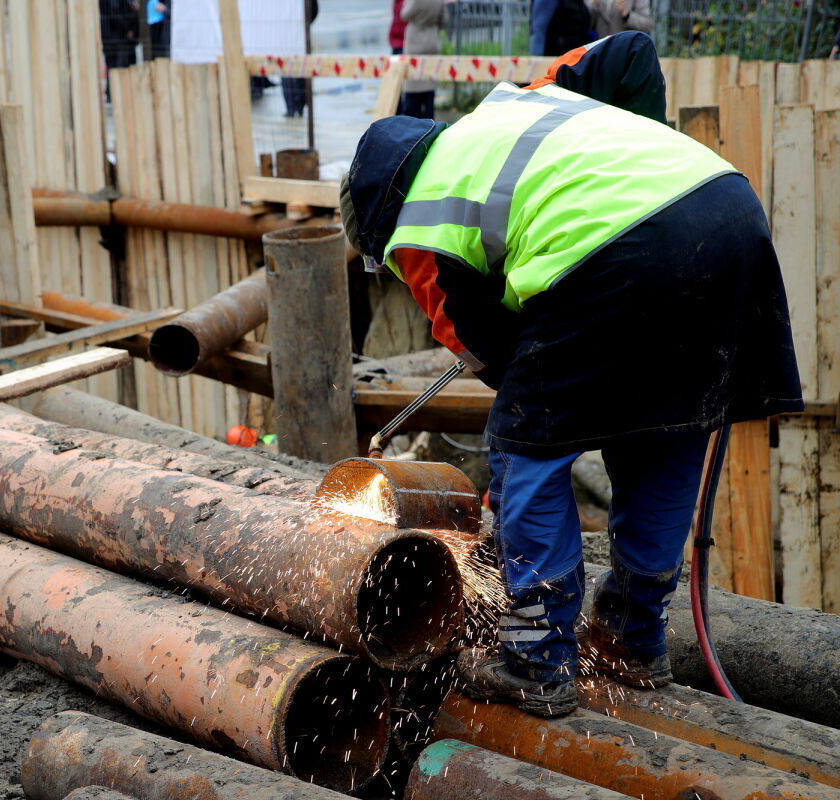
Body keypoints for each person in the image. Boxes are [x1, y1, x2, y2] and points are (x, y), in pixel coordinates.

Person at [339, 32, 802, 718]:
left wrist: (516, 480)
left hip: (620, 248)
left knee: (526, 443)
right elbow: (630, 53)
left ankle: (534, 656)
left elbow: (485, 348)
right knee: (665, 431)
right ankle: (632, 640)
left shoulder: (423, 209)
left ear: (379, 215)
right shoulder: (511, 112)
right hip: (729, 214)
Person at [400, 0, 446, 120]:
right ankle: (429, 118)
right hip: (432, 40)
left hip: (415, 41)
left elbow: (405, 15)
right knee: (429, 82)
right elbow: (444, 20)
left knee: (413, 83)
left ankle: (412, 119)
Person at [282, 0, 320, 117]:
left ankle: (294, 107)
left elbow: (313, 9)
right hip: (296, 32)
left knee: (292, 70)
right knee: (296, 70)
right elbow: (314, 10)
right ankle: (297, 106)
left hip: (293, 33)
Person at [100, 0, 140, 71]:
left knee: (114, 68)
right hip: (117, 40)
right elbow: (115, 14)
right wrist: (128, 29)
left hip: (115, 39)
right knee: (119, 69)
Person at [588, 0, 652, 37]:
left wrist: (627, 15)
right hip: (602, 51)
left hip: (626, 50)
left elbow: (647, 25)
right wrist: (592, 7)